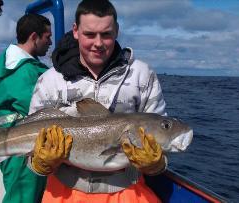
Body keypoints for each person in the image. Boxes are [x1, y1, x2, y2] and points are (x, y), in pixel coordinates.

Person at [29, 0, 167, 202]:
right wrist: (41, 163)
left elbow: (161, 138)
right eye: (90, 34)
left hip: (128, 190)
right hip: (64, 192)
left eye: (106, 34)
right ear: (75, 31)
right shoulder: (50, 81)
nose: (98, 43)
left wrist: (156, 164)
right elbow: (31, 159)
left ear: (117, 31)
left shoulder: (142, 75)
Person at [0, 13, 52, 203]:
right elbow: (37, 108)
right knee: (22, 198)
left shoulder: (14, 65)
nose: (50, 42)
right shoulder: (24, 71)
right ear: (34, 37)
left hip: (12, 141)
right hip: (20, 148)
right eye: (47, 37)